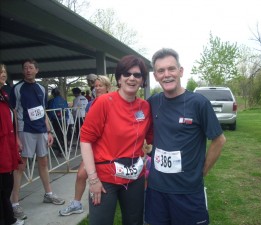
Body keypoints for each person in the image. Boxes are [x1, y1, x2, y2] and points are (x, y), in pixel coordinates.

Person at [145, 48, 226, 225]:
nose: (167, 75)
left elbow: (219, 140)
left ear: (180, 71)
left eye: (171, 69)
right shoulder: (153, 103)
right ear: (156, 76)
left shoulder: (198, 103)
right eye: (161, 71)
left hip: (187, 190)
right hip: (156, 189)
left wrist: (202, 171)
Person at [80, 55, 152, 225]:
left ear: (142, 80)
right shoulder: (103, 102)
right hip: (105, 179)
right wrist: (93, 179)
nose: (132, 78)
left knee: (134, 221)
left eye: (137, 74)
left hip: (135, 176)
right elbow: (85, 140)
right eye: (127, 74)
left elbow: (151, 138)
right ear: (119, 78)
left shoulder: (145, 106)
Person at [10, 59, 65, 221]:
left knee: (43, 163)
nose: (28, 70)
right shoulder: (17, 88)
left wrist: (49, 131)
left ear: (37, 70)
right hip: (24, 130)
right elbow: (13, 112)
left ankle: (48, 194)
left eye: (31, 68)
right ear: (22, 71)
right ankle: (14, 203)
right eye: (25, 68)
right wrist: (16, 137)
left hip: (41, 130)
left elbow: (43, 110)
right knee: (21, 166)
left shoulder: (41, 87)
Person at [59, 75, 111, 216]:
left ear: (107, 87)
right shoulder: (91, 103)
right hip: (92, 147)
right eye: (96, 86)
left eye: (101, 85)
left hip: (107, 148)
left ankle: (105, 202)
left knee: (102, 177)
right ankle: (77, 203)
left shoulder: (112, 102)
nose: (98, 88)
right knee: (81, 175)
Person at [0, 64, 24, 225]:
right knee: (3, 185)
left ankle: (8, 218)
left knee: (6, 184)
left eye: (3, 72)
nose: (3, 74)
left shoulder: (4, 94)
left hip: (7, 145)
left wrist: (16, 139)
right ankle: (8, 219)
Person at [47, 88, 69, 157]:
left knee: (58, 135)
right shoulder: (63, 100)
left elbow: (50, 111)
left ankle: (60, 151)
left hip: (56, 120)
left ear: (53, 94)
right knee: (64, 134)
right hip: (64, 119)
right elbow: (67, 110)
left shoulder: (52, 101)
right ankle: (65, 149)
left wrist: (50, 119)